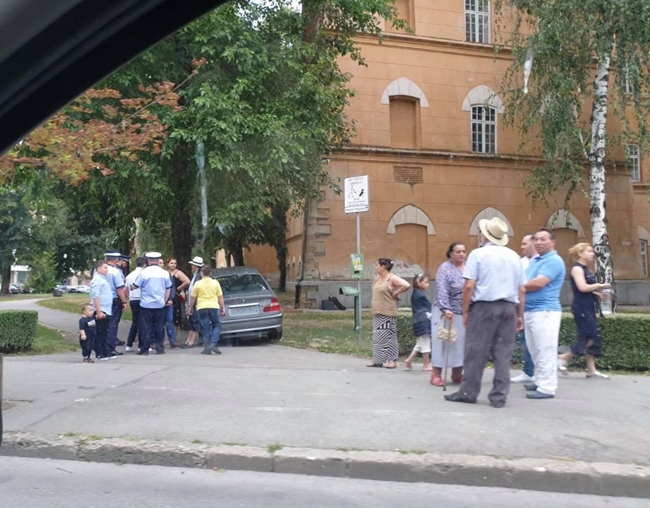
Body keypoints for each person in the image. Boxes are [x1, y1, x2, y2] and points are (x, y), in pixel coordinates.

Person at [444, 217, 525, 408]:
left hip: (484, 307)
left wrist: (465, 310)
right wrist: (519, 314)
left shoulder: (478, 254)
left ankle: (468, 392)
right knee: (503, 354)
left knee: (475, 351)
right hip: (508, 307)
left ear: (485, 235)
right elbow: (521, 289)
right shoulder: (514, 256)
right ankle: (499, 396)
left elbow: (468, 286)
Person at [523, 228, 566, 400]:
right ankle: (540, 380)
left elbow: (538, 283)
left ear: (552, 242)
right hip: (531, 310)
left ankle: (547, 387)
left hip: (545, 311)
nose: (539, 243)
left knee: (545, 349)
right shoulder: (536, 260)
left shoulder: (553, 260)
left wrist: (517, 287)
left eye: (543, 239)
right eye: (536, 239)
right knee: (535, 349)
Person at [558, 243, 611, 379]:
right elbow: (582, 287)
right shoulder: (577, 269)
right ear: (580, 254)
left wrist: (597, 294)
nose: (592, 254)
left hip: (587, 306)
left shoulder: (585, 269)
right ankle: (564, 357)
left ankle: (591, 370)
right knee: (591, 337)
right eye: (589, 251)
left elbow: (585, 290)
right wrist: (599, 285)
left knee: (591, 336)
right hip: (581, 307)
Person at [430, 243, 467, 387]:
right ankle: (436, 374)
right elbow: (442, 289)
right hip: (446, 311)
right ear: (451, 254)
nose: (462, 254)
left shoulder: (469, 267)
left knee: (460, 343)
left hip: (464, 310)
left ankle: (457, 373)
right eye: (458, 252)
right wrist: (446, 308)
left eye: (463, 251)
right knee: (443, 341)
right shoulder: (445, 268)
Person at [367, 258, 410, 369]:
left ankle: (391, 360)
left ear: (383, 267)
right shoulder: (377, 278)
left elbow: (406, 285)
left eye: (377, 265)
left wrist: (396, 293)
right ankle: (378, 360)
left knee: (388, 336)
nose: (375, 267)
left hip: (388, 311)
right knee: (377, 336)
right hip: (377, 311)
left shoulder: (391, 278)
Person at [133, 252, 172, 355]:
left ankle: (144, 349)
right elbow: (168, 288)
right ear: (158, 260)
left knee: (145, 327)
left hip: (146, 304)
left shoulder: (143, 273)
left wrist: (131, 287)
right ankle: (160, 348)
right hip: (159, 304)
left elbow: (135, 285)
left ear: (148, 260)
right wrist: (165, 300)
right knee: (159, 326)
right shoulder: (165, 273)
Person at [511, 234, 537, 383]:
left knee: (537, 342)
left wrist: (522, 286)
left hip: (536, 307)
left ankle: (538, 372)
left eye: (524, 243)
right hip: (522, 305)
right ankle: (528, 371)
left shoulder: (540, 261)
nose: (521, 247)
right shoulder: (521, 262)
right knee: (525, 340)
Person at [188, 265, 226, 355]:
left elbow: (193, 297)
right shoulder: (215, 283)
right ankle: (213, 343)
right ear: (210, 273)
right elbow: (220, 296)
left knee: (205, 327)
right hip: (214, 306)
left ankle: (207, 347)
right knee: (217, 325)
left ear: (201, 273)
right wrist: (222, 307)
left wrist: (190, 307)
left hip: (202, 307)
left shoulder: (198, 284)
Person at [405, 274, 432, 372]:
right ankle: (426, 365)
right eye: (426, 282)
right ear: (419, 283)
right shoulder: (420, 295)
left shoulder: (416, 293)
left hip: (418, 320)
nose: (428, 284)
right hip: (423, 320)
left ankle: (409, 359)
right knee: (425, 343)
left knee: (420, 342)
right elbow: (426, 308)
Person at [104, 250, 127, 356]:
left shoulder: (98, 271)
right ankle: (110, 348)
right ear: (115, 260)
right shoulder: (115, 272)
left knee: (104, 325)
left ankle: (102, 346)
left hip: (103, 300)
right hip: (114, 300)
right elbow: (120, 288)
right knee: (113, 325)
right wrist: (124, 301)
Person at [89, 260, 112, 361]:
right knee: (100, 332)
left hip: (106, 309)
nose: (107, 270)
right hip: (101, 309)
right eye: (105, 268)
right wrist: (98, 310)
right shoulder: (97, 280)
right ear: (99, 269)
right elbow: (95, 295)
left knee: (105, 331)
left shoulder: (103, 279)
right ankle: (99, 352)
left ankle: (105, 351)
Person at [164, 257, 190, 349]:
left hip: (175, 297)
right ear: (168, 264)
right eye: (171, 263)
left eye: (175, 263)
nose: (173, 265)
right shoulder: (165, 273)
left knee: (175, 317)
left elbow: (187, 281)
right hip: (166, 296)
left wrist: (178, 288)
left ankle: (174, 338)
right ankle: (171, 338)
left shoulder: (178, 273)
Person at [124, 256, 146, 352]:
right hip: (142, 299)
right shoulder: (144, 274)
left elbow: (126, 289)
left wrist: (128, 298)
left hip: (133, 299)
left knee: (135, 322)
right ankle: (142, 345)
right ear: (144, 264)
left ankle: (129, 344)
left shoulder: (129, 275)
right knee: (143, 323)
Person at [182, 256, 204, 349]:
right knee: (191, 321)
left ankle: (191, 341)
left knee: (195, 321)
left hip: (196, 303)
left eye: (192, 265)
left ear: (196, 266)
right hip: (192, 301)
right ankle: (188, 340)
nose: (191, 266)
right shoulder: (195, 275)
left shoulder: (199, 276)